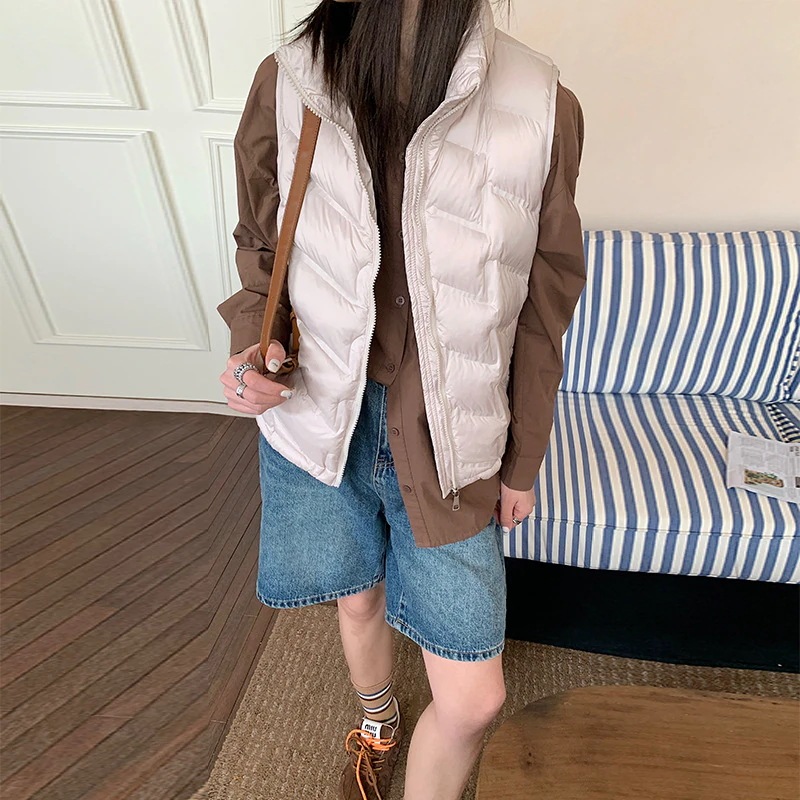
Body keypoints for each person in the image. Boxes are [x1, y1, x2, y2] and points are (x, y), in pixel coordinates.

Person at [217, 0, 586, 797]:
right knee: (357, 603)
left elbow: (543, 302)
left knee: (474, 699)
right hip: (322, 413)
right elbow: (261, 243)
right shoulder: (289, 80)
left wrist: (523, 459)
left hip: (448, 432)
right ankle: (378, 720)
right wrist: (255, 342)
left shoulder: (540, 100)